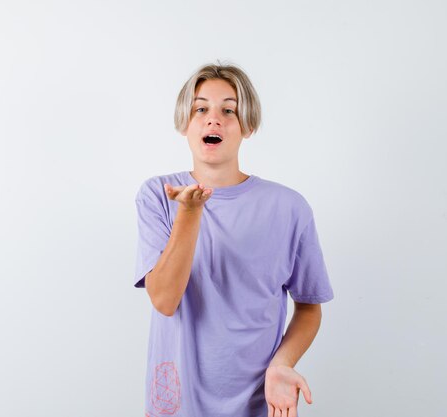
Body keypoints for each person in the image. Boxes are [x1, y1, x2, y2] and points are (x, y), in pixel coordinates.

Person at [133, 61, 334, 417]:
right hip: (178, 405)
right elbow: (164, 300)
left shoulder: (289, 207)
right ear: (185, 123)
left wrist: (281, 364)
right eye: (200, 109)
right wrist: (190, 214)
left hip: (260, 403)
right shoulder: (158, 196)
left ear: (248, 126)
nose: (214, 119)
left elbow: (308, 307)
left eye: (229, 110)